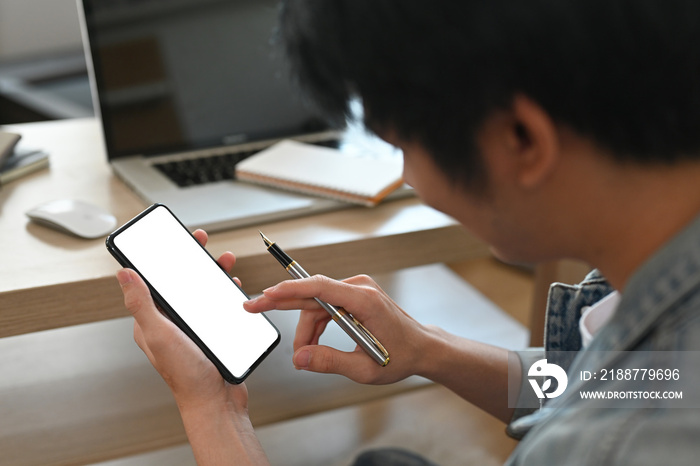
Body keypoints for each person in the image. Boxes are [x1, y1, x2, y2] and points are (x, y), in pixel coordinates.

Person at [115, 0, 700, 464]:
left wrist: (212, 408)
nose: (409, 180)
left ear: (521, 139)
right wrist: (428, 350)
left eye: (401, 148)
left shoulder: (620, 447)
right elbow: (598, 381)